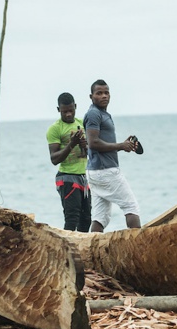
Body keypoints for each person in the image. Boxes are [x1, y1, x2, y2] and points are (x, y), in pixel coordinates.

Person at [84, 79, 141, 232]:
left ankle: (91, 251)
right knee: (131, 206)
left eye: (106, 92)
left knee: (100, 217)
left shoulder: (102, 114)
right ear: (91, 96)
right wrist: (121, 146)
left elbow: (100, 142)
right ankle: (138, 249)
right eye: (99, 93)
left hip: (96, 171)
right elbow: (93, 143)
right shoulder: (94, 114)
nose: (104, 96)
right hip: (105, 171)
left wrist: (124, 145)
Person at [46, 92, 91, 231]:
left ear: (75, 107)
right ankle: (67, 251)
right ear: (58, 109)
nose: (68, 114)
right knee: (72, 218)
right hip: (67, 177)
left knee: (86, 219)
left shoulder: (81, 123)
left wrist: (85, 146)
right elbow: (54, 159)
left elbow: (91, 152)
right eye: (64, 111)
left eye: (71, 110)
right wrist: (71, 144)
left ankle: (82, 250)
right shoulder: (55, 129)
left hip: (84, 177)